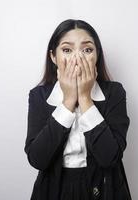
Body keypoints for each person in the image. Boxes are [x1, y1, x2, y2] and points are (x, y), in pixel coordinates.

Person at [24, 19, 131, 200]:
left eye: (87, 50)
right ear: (53, 57)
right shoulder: (39, 96)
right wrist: (68, 101)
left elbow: (110, 157)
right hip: (54, 189)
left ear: (97, 56)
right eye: (67, 50)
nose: (77, 59)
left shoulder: (114, 92)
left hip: (105, 188)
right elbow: (38, 159)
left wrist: (84, 98)